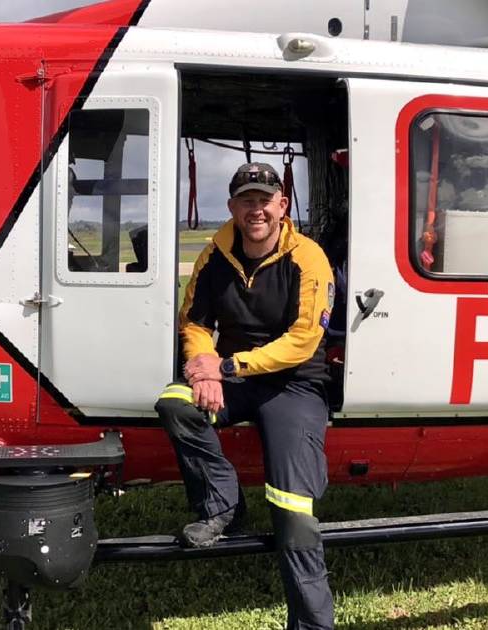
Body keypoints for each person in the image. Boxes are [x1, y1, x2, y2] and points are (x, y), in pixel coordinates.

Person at [155, 162, 336, 629]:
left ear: (282, 205)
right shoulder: (215, 254)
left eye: (265, 199)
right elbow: (194, 321)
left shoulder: (309, 257)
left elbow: (302, 341)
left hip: (295, 384)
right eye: (246, 200)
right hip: (232, 378)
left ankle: (312, 625)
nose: (256, 209)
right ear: (232, 207)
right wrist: (204, 374)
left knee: (292, 510)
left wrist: (228, 365)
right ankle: (222, 507)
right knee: (175, 404)